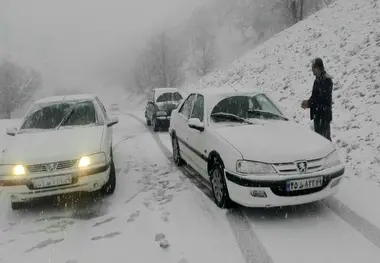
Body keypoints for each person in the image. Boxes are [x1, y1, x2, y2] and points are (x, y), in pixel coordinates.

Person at [301, 58, 333, 141]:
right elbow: (314, 96)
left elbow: (323, 99)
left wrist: (309, 103)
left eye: (313, 68)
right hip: (317, 114)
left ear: (318, 68)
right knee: (319, 141)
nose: (312, 71)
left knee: (325, 140)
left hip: (324, 115)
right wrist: (308, 103)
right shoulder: (317, 80)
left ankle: (331, 153)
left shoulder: (327, 80)